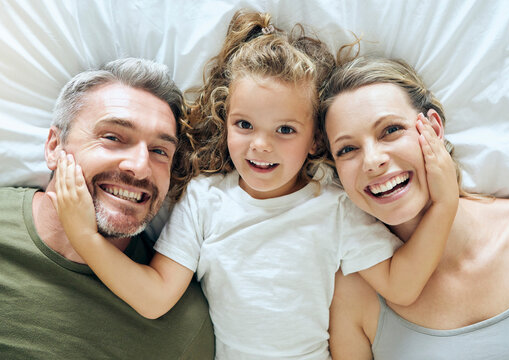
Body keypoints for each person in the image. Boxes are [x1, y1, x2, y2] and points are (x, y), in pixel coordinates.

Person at [50, 11, 457, 360]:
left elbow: (401, 286)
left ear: (316, 140)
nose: (260, 145)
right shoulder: (204, 200)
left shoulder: (335, 207)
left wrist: (444, 205)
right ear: (226, 121)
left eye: (285, 129)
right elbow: (154, 299)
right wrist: (86, 236)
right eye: (244, 125)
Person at [321, 56, 509, 359]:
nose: (371, 161)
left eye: (390, 130)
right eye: (347, 149)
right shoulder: (352, 294)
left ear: (433, 128)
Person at [0, 58, 214, 359]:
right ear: (54, 147)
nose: (140, 168)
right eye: (113, 137)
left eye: (159, 151)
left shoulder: (181, 324)